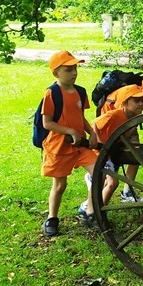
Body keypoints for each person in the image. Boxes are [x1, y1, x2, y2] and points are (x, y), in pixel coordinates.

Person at [40, 50, 98, 237]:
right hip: (59, 146)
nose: (74, 73)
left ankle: (90, 212)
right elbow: (47, 123)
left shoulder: (80, 92)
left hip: (80, 145)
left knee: (99, 173)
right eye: (68, 69)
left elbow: (80, 117)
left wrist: (92, 133)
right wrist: (70, 131)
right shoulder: (52, 93)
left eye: (75, 68)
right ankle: (52, 218)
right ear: (56, 73)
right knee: (60, 185)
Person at [79, 85, 143, 219]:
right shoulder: (114, 114)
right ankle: (92, 211)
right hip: (100, 154)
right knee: (112, 183)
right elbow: (95, 124)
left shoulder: (133, 118)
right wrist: (102, 146)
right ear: (124, 102)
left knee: (111, 184)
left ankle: (96, 210)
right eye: (136, 101)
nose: (141, 104)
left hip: (111, 153)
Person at [98, 73, 143, 202]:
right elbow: (117, 118)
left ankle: (127, 192)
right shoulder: (129, 95)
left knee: (137, 153)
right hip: (111, 120)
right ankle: (98, 179)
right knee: (112, 155)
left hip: (130, 122)